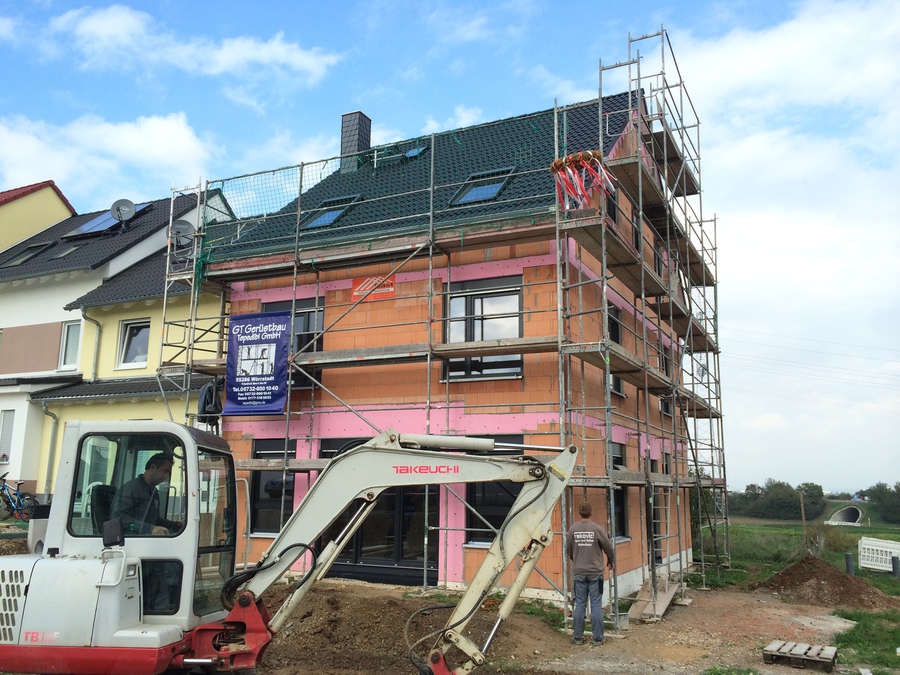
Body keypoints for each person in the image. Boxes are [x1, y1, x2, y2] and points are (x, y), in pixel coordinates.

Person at [566, 501, 615, 646]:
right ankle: (598, 638)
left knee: (580, 604)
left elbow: (568, 550)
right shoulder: (597, 529)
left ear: (579, 513)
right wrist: (610, 560)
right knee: (596, 605)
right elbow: (609, 548)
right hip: (595, 573)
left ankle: (577, 637)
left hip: (579, 572)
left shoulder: (573, 529)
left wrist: (577, 560)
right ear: (591, 513)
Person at [112, 453, 182, 535]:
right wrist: (150, 529)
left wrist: (176, 525)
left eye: (168, 474)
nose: (166, 477)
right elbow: (118, 517)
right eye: (165, 471)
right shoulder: (131, 488)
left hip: (146, 538)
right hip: (130, 538)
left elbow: (154, 520)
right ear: (153, 467)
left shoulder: (154, 492)